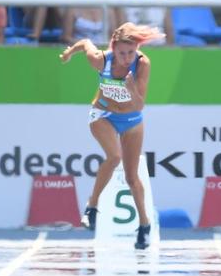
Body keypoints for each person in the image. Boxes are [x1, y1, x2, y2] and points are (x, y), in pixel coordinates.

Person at [59, 23, 164, 250]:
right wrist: (70, 52)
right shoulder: (101, 60)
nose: (126, 58)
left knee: (132, 178)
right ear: (113, 48)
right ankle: (92, 206)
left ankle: (144, 225)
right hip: (103, 114)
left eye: (131, 52)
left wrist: (131, 88)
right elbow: (85, 43)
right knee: (113, 156)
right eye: (122, 53)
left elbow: (139, 105)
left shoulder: (142, 64)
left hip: (131, 121)